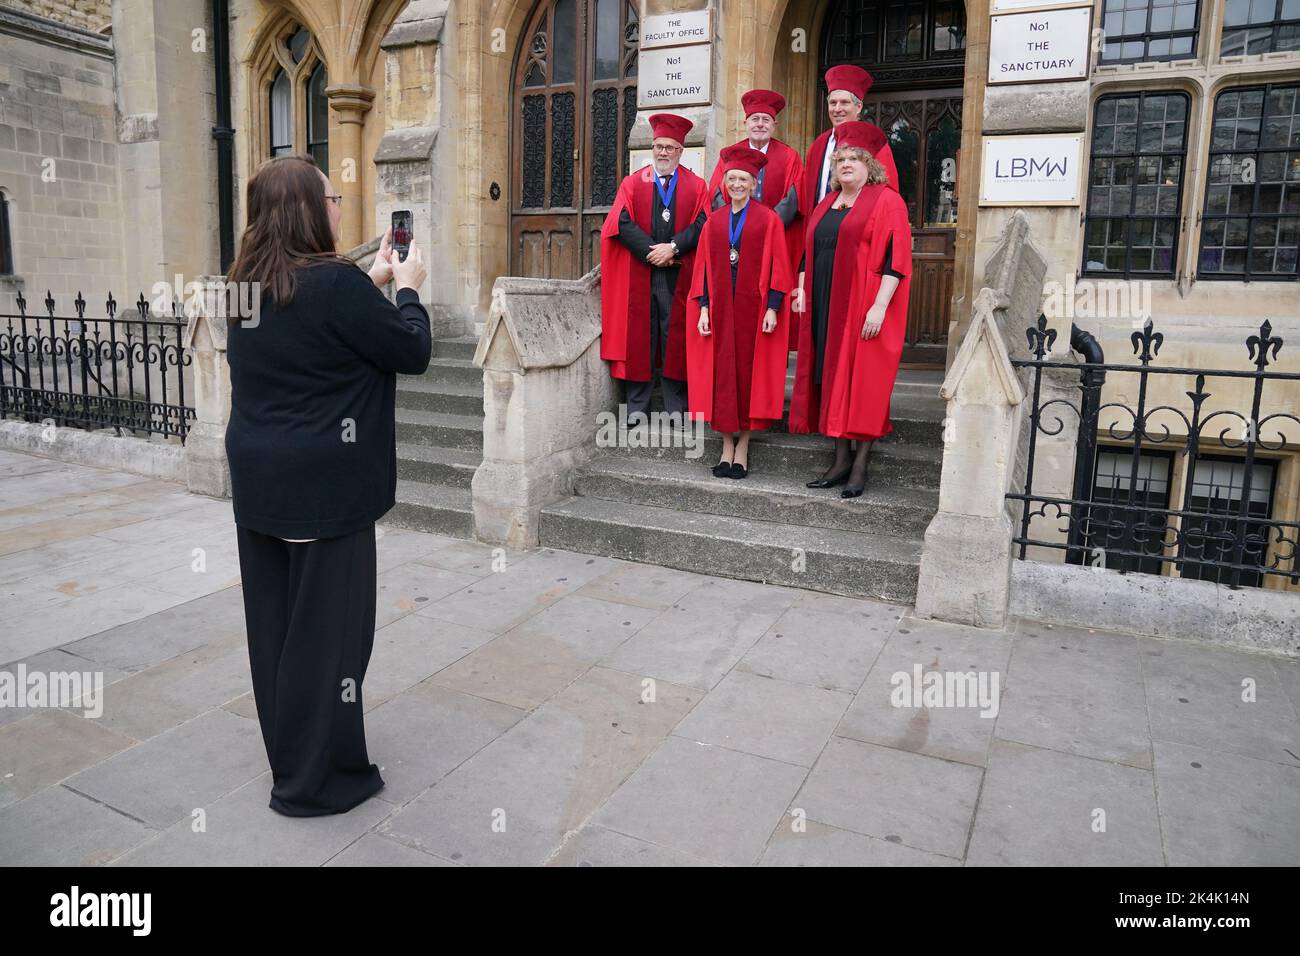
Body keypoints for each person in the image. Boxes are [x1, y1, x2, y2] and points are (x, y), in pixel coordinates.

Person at [224, 155, 431, 816]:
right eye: (333, 197)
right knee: (332, 639)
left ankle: (298, 758)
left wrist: (366, 283)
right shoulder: (336, 286)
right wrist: (406, 289)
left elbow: (305, 332)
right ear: (309, 210)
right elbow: (410, 350)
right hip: (324, 485)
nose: (340, 207)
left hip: (260, 480)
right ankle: (309, 784)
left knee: (278, 631)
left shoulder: (242, 286)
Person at [790, 121, 912, 499]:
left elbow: (897, 260)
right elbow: (810, 251)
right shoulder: (826, 203)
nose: (845, 164)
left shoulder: (887, 200)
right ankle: (840, 459)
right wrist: (801, 287)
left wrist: (879, 307)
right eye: (840, 158)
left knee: (864, 383)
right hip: (827, 303)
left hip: (864, 305)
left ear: (870, 165)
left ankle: (860, 465)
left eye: (854, 159)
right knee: (831, 377)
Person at [686, 144, 792, 479]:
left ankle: (742, 446)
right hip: (719, 311)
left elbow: (779, 266)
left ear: (753, 183)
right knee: (721, 377)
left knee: (748, 377)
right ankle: (725, 446)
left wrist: (773, 308)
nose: (736, 184)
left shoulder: (769, 219)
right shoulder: (713, 223)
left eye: (743, 179)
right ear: (724, 182)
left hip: (753, 309)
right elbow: (701, 269)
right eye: (731, 178)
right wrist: (703, 308)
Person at [599, 113, 709, 420]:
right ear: (653, 147)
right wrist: (653, 252)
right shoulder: (633, 183)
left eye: (670, 147)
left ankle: (676, 409)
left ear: (680, 151)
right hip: (642, 274)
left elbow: (704, 223)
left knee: (674, 340)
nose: (663, 152)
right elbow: (619, 222)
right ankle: (637, 408)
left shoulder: (696, 185)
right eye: (659, 146)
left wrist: (672, 247)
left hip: (678, 275)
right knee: (640, 339)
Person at [705, 89, 803, 349]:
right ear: (745, 123)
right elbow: (717, 196)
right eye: (755, 119)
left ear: (774, 124)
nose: (760, 124)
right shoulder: (729, 154)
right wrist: (738, 230)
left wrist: (761, 231)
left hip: (771, 244)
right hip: (732, 245)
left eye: (766, 120)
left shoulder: (789, 156)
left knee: (766, 313)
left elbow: (792, 202)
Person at [802, 65, 874, 218]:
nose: (837, 109)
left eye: (844, 102)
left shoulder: (873, 144)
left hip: (854, 227)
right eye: (833, 103)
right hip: (820, 227)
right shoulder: (818, 145)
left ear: (859, 106)